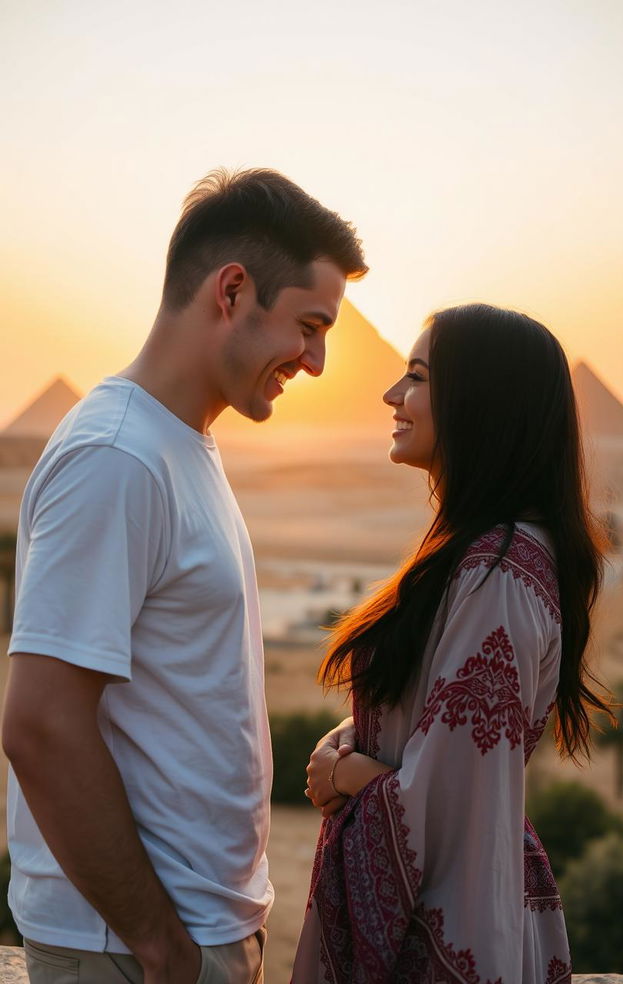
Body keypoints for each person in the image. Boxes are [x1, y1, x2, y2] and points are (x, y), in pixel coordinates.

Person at [2, 168, 367, 984]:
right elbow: (40, 726)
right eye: (309, 325)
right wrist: (164, 947)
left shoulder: (176, 443)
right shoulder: (119, 457)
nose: (315, 360)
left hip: (178, 936)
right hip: (130, 950)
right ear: (233, 290)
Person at [296, 303, 612, 984]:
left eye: (416, 377)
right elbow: (440, 724)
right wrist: (348, 737)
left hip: (445, 940)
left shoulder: (499, 574)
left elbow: (453, 802)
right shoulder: (482, 556)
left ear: (481, 405)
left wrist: (347, 776)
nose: (391, 395)